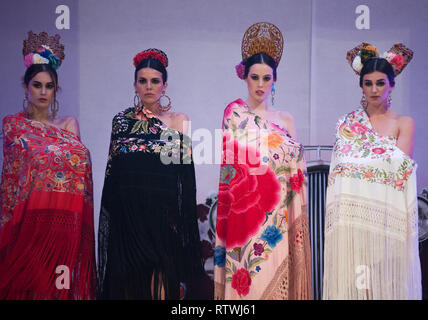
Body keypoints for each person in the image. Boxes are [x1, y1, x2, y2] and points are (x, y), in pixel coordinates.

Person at [97, 48, 209, 299]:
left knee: (160, 283)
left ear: (164, 85)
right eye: (143, 81)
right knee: (128, 286)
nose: (149, 86)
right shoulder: (121, 121)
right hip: (127, 221)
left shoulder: (178, 121)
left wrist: (178, 222)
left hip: (161, 220)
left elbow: (184, 179)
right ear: (135, 85)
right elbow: (113, 174)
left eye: (155, 81)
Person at [213, 22, 312, 300]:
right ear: (245, 77)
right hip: (247, 216)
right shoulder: (234, 114)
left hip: (280, 217)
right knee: (250, 285)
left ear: (274, 80)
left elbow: (296, 171)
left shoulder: (286, 119)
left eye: (266, 78)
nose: (260, 84)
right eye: (254, 77)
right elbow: (232, 168)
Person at [0, 31, 97, 299]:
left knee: (59, 289)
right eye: (37, 85)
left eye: (49, 86)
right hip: (29, 225)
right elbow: (13, 179)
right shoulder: (13, 125)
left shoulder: (68, 125)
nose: (43, 92)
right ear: (25, 87)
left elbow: (78, 168)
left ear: (56, 89)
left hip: (65, 226)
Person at [323, 43, 422, 299]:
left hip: (387, 220)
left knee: (385, 288)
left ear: (392, 84)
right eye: (368, 83)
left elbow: (399, 169)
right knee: (357, 287)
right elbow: (341, 172)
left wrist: (362, 164)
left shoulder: (404, 123)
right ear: (361, 86)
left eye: (380, 82)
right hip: (354, 221)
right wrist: (371, 163)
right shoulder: (347, 124)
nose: (374, 89)